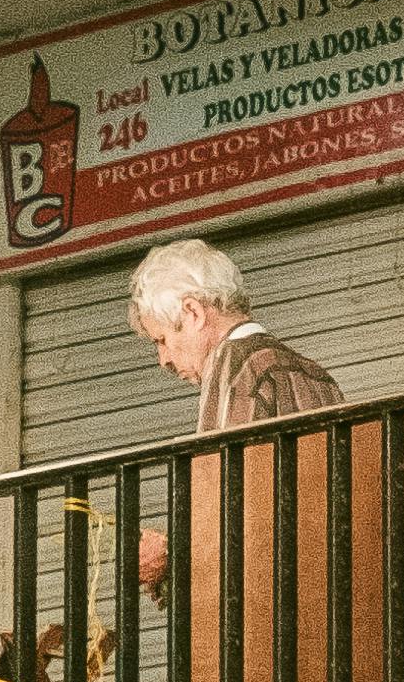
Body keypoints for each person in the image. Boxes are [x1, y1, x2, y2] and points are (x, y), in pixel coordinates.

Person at [127, 238, 342, 592]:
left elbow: (234, 512)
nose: (163, 360)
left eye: (161, 340)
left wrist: (171, 555)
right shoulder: (317, 375)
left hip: (269, 600)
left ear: (193, 313)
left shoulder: (234, 367)